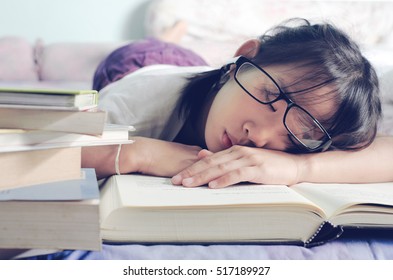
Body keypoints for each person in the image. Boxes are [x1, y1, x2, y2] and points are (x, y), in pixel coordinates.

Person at [82, 18, 393, 188]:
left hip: (203, 73)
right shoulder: (135, 103)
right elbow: (53, 154)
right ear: (243, 58)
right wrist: (142, 153)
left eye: (296, 134)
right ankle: (170, 36)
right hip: (135, 65)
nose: (259, 137)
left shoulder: (324, 119)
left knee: (191, 60)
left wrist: (299, 166)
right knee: (158, 48)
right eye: (271, 97)